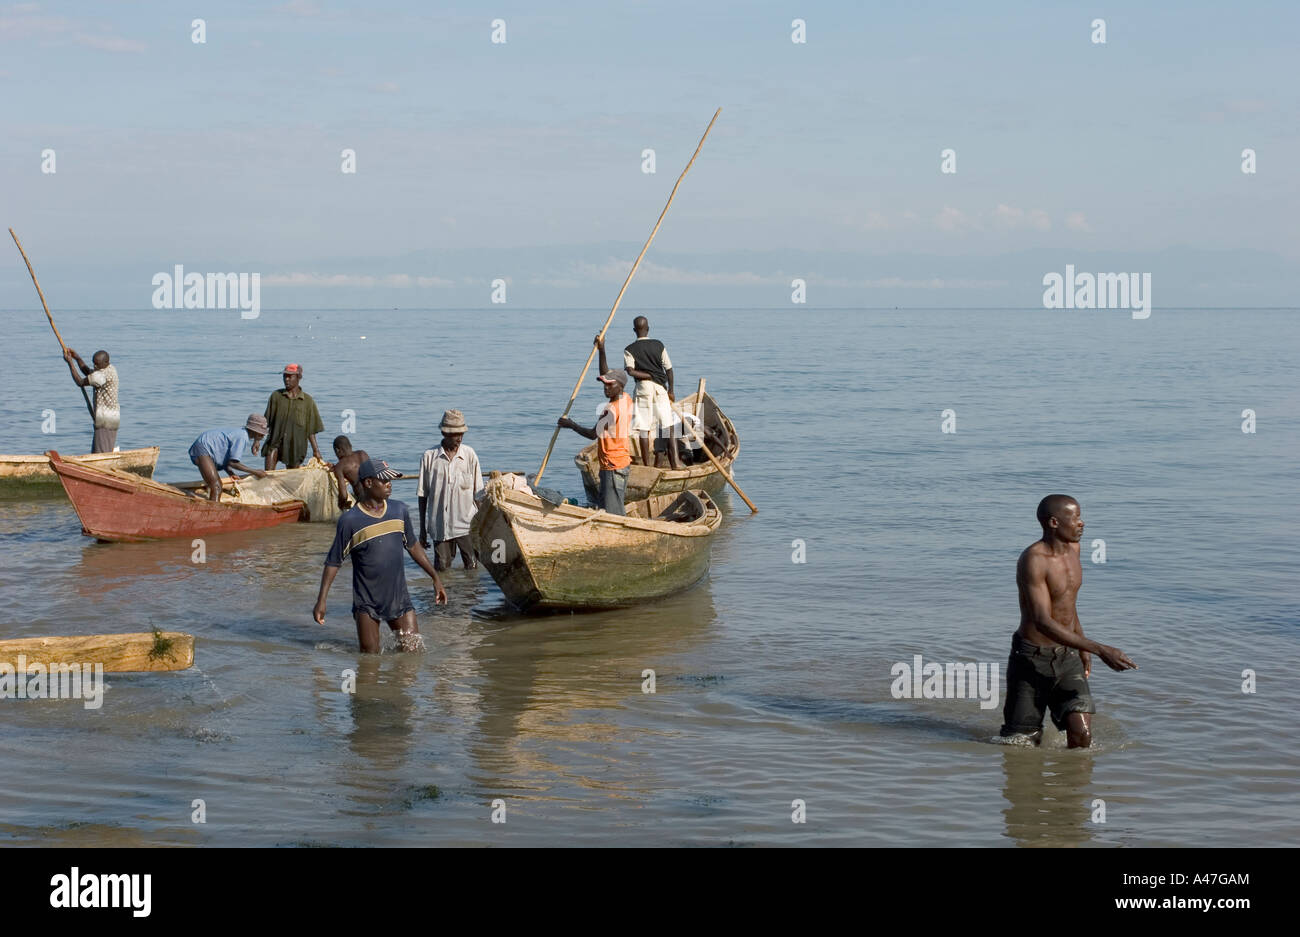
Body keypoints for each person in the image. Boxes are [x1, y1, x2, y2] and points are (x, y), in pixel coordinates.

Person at [1001, 494, 1138, 748]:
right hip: (1030, 658)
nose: (1082, 523)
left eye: (1080, 517)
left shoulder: (1074, 550)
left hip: (1068, 656)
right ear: (1054, 522)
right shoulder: (1033, 560)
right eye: (1075, 517)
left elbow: (1067, 604)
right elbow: (1043, 620)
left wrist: (1081, 646)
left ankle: (1073, 787)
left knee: (1082, 736)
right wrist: (1098, 649)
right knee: (1021, 743)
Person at [313, 458, 447, 653]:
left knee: (412, 656)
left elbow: (413, 546)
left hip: (399, 598)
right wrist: (322, 600)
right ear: (368, 483)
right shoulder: (350, 521)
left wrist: (435, 578)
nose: (389, 485)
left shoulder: (399, 510)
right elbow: (333, 562)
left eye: (390, 480)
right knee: (370, 663)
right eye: (384, 481)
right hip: (366, 603)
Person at [557, 367, 634, 516]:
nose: (606, 388)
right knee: (610, 506)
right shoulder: (626, 398)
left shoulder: (610, 410)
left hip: (612, 466)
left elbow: (593, 434)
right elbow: (606, 371)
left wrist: (571, 425)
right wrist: (601, 348)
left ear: (620, 386)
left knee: (613, 514)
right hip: (621, 463)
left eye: (610, 385)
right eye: (604, 384)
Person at [417, 409, 484, 570]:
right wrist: (422, 530)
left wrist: (482, 527)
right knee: (442, 568)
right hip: (440, 525)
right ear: (444, 433)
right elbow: (423, 494)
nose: (459, 438)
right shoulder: (429, 457)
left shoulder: (469, 455)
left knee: (472, 566)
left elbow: (478, 494)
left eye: (461, 433)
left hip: (466, 524)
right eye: (455, 434)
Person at [619, 318, 681, 470]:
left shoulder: (629, 349)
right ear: (648, 328)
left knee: (643, 429)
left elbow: (630, 371)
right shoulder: (658, 345)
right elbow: (669, 369)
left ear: (634, 330)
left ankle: (647, 467)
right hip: (661, 389)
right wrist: (671, 390)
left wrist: (647, 376)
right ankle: (675, 464)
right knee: (667, 426)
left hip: (643, 389)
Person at [188, 416, 270, 501]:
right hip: (203, 448)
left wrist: (230, 473)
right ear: (255, 431)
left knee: (213, 484)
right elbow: (233, 463)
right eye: (261, 433)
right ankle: (214, 510)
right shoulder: (242, 437)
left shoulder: (242, 433)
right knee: (217, 486)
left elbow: (225, 457)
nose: (263, 435)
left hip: (205, 447)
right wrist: (256, 472)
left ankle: (211, 502)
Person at [264, 363, 325, 469]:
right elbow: (266, 421)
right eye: (285, 376)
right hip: (275, 442)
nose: (286, 379)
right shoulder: (276, 396)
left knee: (292, 479)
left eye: (290, 376)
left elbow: (311, 430)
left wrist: (316, 450)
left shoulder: (307, 401)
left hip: (295, 446)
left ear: (298, 377)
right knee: (268, 475)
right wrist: (256, 440)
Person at [62, 348, 119, 453]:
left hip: (106, 420)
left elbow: (80, 382)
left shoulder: (102, 375)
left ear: (106, 362)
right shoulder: (109, 368)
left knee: (102, 452)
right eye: (94, 364)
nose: (95, 367)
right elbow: (88, 372)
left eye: (97, 364)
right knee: (98, 450)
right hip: (107, 417)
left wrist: (70, 363)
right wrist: (77, 358)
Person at [331, 435, 373, 510]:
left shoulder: (340, 466)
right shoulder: (363, 454)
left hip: (363, 499)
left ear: (338, 450)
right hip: (377, 493)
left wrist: (341, 504)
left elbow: (343, 495)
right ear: (350, 446)